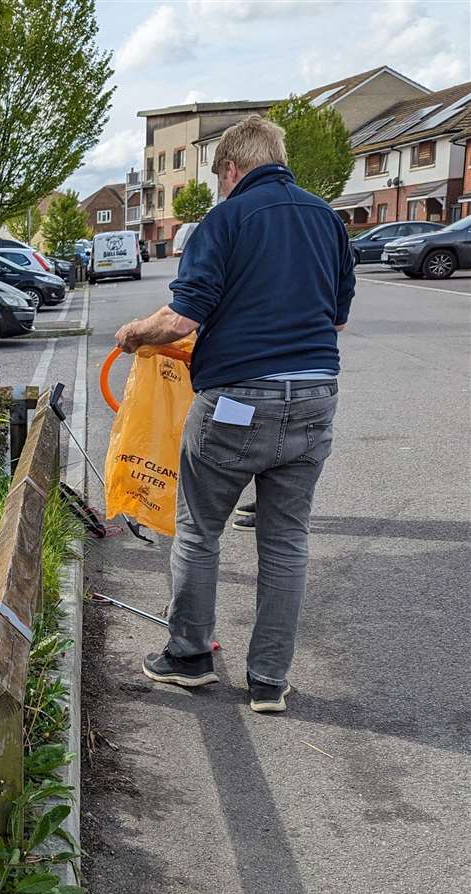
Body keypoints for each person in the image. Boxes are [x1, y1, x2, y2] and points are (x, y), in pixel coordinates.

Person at [114, 115, 354, 714]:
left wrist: (135, 334)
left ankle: (190, 656)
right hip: (314, 398)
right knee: (286, 542)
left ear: (230, 168)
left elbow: (182, 319)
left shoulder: (224, 220)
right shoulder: (328, 220)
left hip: (237, 403)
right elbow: (338, 318)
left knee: (198, 529)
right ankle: (269, 681)